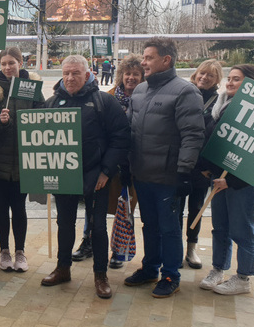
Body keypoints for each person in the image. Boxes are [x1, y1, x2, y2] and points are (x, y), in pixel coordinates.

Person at [39, 55, 130, 299]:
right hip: (64, 176)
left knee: (98, 228)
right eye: (66, 73)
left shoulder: (103, 102)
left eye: (76, 73)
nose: (70, 78)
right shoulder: (51, 103)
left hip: (96, 176)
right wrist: (43, 174)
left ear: (87, 74)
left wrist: (106, 171)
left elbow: (120, 137)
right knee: (64, 224)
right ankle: (63, 268)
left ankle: (100, 275)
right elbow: (40, 142)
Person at [124, 37, 204, 298]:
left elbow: (193, 134)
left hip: (169, 177)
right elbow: (130, 131)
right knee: (149, 224)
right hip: (143, 174)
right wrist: (126, 164)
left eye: (148, 57)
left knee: (169, 228)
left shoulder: (185, 91)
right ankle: (150, 268)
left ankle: (171, 274)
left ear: (166, 60)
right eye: (143, 57)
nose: (143, 62)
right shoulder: (139, 91)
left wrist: (183, 172)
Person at [199, 65, 254, 295]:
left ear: (251, 84)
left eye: (236, 79)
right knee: (220, 228)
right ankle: (218, 269)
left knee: (241, 230)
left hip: (243, 184)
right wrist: (207, 168)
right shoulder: (220, 107)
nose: (229, 83)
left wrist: (232, 182)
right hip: (219, 180)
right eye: (229, 78)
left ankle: (243, 278)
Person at [74, 54, 144, 269]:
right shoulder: (108, 97)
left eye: (136, 74)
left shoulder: (145, 98)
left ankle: (119, 249)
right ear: (120, 75)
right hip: (107, 162)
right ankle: (88, 242)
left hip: (132, 164)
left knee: (125, 207)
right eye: (127, 73)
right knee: (94, 207)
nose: (131, 78)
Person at [0, 47, 44, 272]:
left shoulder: (32, 87)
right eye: (4, 63)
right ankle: (4, 250)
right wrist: (1, 121)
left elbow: (43, 115)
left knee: (19, 207)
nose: (7, 67)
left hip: (23, 160)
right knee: (1, 207)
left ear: (21, 62)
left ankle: (20, 251)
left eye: (12, 63)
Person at [180, 59, 223, 269]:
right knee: (175, 208)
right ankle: (176, 249)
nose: (204, 78)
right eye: (202, 73)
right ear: (196, 74)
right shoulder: (185, 93)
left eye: (210, 76)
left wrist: (210, 168)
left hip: (202, 168)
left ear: (217, 80)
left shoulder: (219, 102)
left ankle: (191, 248)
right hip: (181, 164)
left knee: (196, 208)